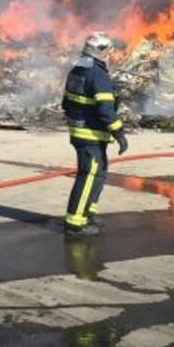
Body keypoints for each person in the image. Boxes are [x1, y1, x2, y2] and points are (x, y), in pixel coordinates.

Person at [60, 32, 128, 235]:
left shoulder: (77, 69)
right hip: (91, 134)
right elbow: (105, 110)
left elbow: (66, 103)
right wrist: (120, 134)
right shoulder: (98, 75)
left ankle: (88, 212)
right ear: (101, 51)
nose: (110, 54)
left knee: (98, 173)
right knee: (89, 175)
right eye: (108, 50)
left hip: (80, 131)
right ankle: (75, 223)